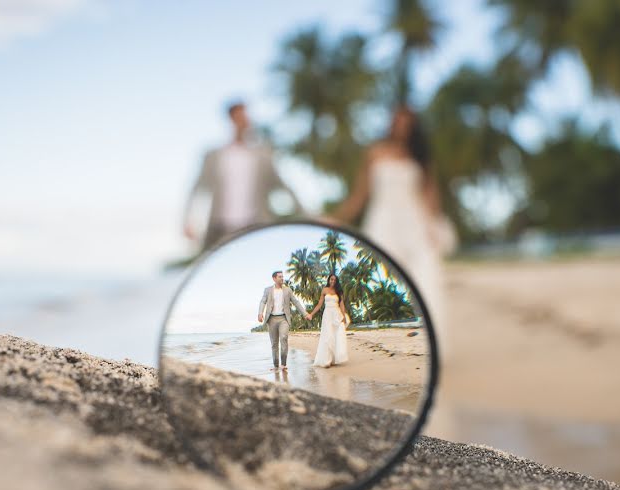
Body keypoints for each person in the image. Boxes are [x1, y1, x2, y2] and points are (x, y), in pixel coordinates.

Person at [332, 105, 455, 354]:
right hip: (383, 221)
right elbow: (360, 195)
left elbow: (430, 194)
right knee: (383, 273)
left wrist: (434, 224)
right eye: (397, 121)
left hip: (415, 221)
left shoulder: (419, 157)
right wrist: (337, 218)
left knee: (427, 272)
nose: (400, 126)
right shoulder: (375, 152)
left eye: (406, 122)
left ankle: (434, 341)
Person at [184, 101, 303, 251]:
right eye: (240, 116)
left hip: (256, 228)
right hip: (220, 231)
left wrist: (310, 216)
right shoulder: (213, 156)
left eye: (246, 115)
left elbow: (284, 187)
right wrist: (188, 220)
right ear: (231, 118)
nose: (245, 120)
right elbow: (197, 189)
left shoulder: (263, 155)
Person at [257, 270, 311, 371]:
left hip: (284, 318)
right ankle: (276, 365)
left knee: (284, 338)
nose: (282, 278)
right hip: (271, 319)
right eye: (279, 277)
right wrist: (260, 313)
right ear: (274, 278)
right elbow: (263, 301)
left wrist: (305, 313)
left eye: (282, 277)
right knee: (274, 343)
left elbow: (296, 302)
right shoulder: (268, 290)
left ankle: (284, 364)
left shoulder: (287, 290)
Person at [307, 273, 350, 368]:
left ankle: (334, 359)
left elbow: (342, 304)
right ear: (328, 280)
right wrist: (311, 314)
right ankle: (327, 360)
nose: (333, 281)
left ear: (336, 281)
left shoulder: (339, 291)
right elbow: (319, 304)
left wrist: (343, 316)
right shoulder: (324, 290)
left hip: (336, 314)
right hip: (327, 315)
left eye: (334, 280)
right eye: (331, 279)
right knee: (327, 336)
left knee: (336, 335)